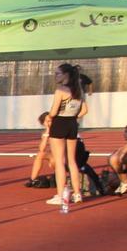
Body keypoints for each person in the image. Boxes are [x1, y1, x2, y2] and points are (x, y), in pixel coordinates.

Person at [44, 62, 88, 206]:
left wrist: (48, 117)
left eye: (58, 73)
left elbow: (54, 111)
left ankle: (61, 194)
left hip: (59, 124)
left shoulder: (61, 90)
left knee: (59, 161)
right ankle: (77, 194)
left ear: (66, 75)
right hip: (72, 124)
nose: (55, 76)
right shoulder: (79, 90)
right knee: (72, 160)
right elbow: (84, 110)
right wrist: (74, 117)